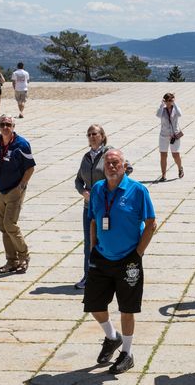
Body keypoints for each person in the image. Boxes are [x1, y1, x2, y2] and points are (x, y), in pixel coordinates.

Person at [84, 149, 156, 374]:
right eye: (108, 164)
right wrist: (92, 248)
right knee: (94, 305)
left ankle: (127, 353)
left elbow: (151, 223)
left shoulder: (138, 190)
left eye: (116, 163)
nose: (111, 167)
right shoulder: (97, 189)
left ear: (124, 166)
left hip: (128, 259)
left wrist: (138, 254)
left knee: (127, 308)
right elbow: (94, 220)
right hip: (102, 257)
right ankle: (111, 337)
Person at [0, 115, 35, 274]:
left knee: (10, 225)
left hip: (14, 190)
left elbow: (30, 168)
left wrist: (21, 186)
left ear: (13, 126)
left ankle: (24, 255)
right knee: (2, 227)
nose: (5, 127)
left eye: (8, 124)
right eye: (2, 124)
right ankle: (11, 261)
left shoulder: (21, 144)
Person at [74, 124, 114, 290]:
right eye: (89, 134)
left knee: (107, 241)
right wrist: (83, 192)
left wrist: (108, 187)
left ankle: (109, 276)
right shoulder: (86, 157)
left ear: (102, 136)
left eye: (95, 134)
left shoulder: (109, 154)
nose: (91, 137)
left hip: (106, 207)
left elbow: (127, 169)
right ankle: (89, 276)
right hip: (88, 207)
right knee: (89, 242)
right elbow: (78, 180)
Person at [155, 92, 183, 181]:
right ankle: (163, 175)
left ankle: (180, 168)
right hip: (164, 135)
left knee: (175, 155)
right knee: (163, 155)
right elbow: (158, 115)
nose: (168, 102)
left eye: (170, 100)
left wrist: (174, 103)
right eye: (167, 100)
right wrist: (161, 104)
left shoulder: (176, 109)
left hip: (174, 135)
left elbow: (179, 114)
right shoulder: (162, 109)